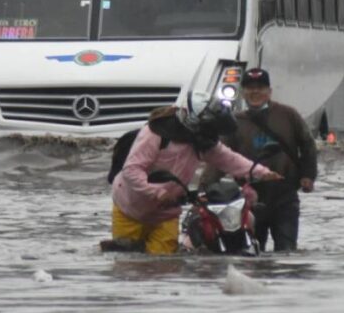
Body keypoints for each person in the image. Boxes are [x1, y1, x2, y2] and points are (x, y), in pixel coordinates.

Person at [110, 93, 282, 255]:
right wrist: (157, 193)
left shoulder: (200, 140)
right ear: (194, 121)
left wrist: (262, 173)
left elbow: (229, 159)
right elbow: (132, 170)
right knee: (128, 263)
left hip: (165, 213)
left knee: (163, 265)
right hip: (130, 208)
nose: (213, 134)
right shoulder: (156, 133)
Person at [202, 68, 318, 251]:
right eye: (250, 88)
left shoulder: (288, 115)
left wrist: (308, 176)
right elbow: (221, 159)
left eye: (260, 87)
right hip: (250, 199)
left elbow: (308, 145)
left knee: (287, 251)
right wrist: (205, 190)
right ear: (243, 93)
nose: (255, 92)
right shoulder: (234, 122)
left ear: (269, 91)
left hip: (285, 194)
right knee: (253, 252)